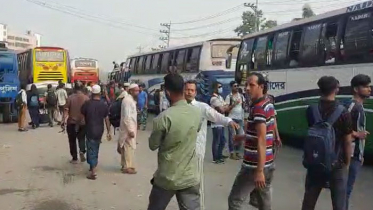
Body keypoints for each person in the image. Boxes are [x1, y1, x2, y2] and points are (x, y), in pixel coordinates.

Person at [147, 73, 202, 210]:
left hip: (167, 177)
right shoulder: (197, 113)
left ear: (167, 92)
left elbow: (152, 145)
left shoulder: (164, 118)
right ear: (183, 89)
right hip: (190, 177)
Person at [184, 80, 239, 210]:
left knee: (196, 184)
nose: (189, 92)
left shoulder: (201, 107)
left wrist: (229, 121)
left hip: (196, 151)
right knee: (181, 185)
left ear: (195, 92)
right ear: (183, 91)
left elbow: (217, 116)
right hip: (181, 153)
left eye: (192, 90)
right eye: (187, 90)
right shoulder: (178, 107)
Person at [301, 76, 353, 210]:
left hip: (315, 160)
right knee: (339, 203)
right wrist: (346, 162)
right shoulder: (343, 112)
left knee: (309, 201)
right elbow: (347, 141)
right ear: (336, 89)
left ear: (319, 90)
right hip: (336, 163)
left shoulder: (311, 110)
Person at [228, 73, 276, 210]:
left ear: (261, 86)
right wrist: (243, 137)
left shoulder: (259, 108)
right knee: (263, 202)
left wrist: (259, 170)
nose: (247, 88)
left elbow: (262, 139)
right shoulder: (267, 104)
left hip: (254, 165)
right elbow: (264, 134)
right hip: (268, 162)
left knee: (235, 200)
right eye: (246, 84)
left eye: (252, 85)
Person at [346, 74, 371, 209]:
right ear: (356, 89)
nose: (369, 89)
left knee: (348, 190)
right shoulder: (352, 107)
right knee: (345, 190)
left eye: (369, 86)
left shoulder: (359, 107)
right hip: (351, 156)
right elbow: (341, 129)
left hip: (356, 156)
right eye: (365, 86)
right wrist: (357, 134)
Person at [81, 85, 112, 180]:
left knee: (91, 148)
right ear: (100, 93)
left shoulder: (87, 104)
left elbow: (82, 116)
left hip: (89, 129)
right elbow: (106, 118)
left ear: (92, 93)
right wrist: (109, 131)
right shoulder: (104, 104)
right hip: (100, 130)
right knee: (96, 147)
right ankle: (93, 166)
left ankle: (93, 171)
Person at [62, 83, 90, 164]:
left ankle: (74, 158)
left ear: (74, 88)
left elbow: (66, 111)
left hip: (72, 122)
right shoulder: (86, 98)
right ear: (82, 88)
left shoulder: (70, 98)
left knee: (72, 140)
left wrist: (63, 121)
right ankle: (82, 150)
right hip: (83, 122)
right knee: (82, 138)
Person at [118, 84, 140, 174]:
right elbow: (127, 117)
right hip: (128, 128)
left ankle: (125, 165)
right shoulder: (127, 101)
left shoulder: (130, 100)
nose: (137, 92)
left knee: (126, 147)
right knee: (129, 147)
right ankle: (128, 166)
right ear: (130, 91)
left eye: (138, 90)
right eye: (136, 91)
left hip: (129, 127)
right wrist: (130, 130)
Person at [225, 81, 245, 160]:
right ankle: (232, 152)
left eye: (237, 86)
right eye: (234, 86)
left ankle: (237, 152)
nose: (236, 87)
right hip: (232, 118)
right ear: (231, 87)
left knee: (240, 136)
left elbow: (243, 106)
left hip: (240, 118)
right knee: (232, 136)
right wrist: (234, 104)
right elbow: (226, 109)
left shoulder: (241, 96)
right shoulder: (228, 97)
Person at [210, 82, 229, 164]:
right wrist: (224, 107)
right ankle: (215, 158)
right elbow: (222, 110)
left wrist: (224, 107)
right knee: (216, 141)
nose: (221, 88)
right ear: (215, 88)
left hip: (221, 122)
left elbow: (226, 107)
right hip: (216, 122)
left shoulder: (220, 97)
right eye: (219, 87)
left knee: (222, 140)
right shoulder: (214, 99)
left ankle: (220, 155)